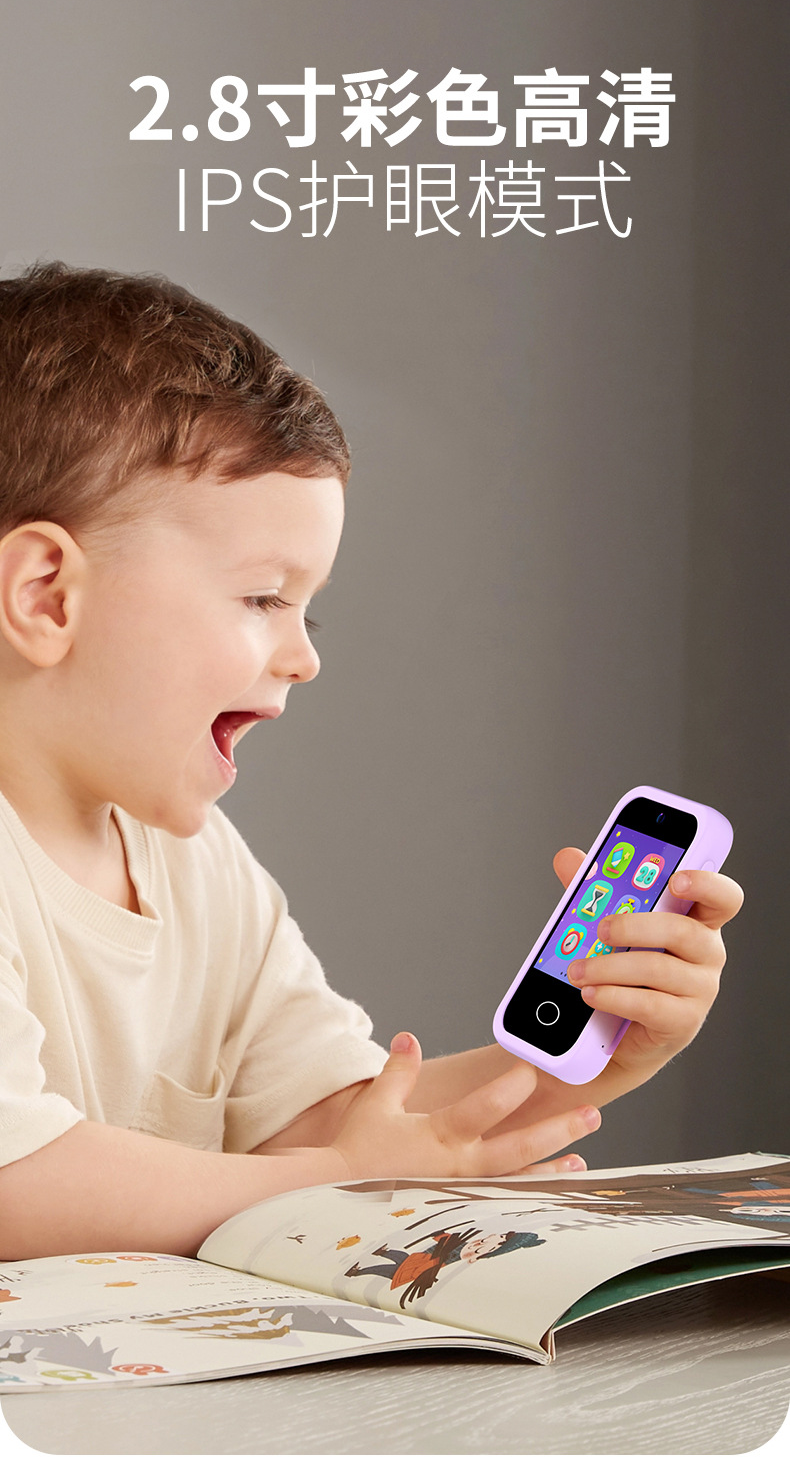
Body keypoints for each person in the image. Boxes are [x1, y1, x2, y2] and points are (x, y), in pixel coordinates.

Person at [0, 264, 742, 1261]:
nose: (303, 657)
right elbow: (18, 1183)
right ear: (47, 595)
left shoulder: (200, 868)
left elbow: (337, 1125)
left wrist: (592, 1053)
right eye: (263, 598)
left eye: (307, 612)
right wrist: (327, 1179)